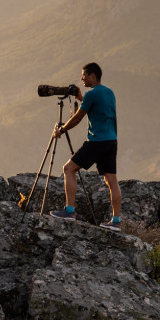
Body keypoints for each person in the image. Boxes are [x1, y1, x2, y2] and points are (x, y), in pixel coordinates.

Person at [48, 62, 122, 231]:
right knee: (112, 181)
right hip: (111, 141)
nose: (82, 78)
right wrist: (81, 98)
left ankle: (69, 211)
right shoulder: (109, 92)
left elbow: (77, 118)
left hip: (97, 141)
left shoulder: (91, 95)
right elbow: (96, 110)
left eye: (84, 75)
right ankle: (116, 221)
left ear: (92, 75)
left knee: (68, 169)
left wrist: (61, 130)